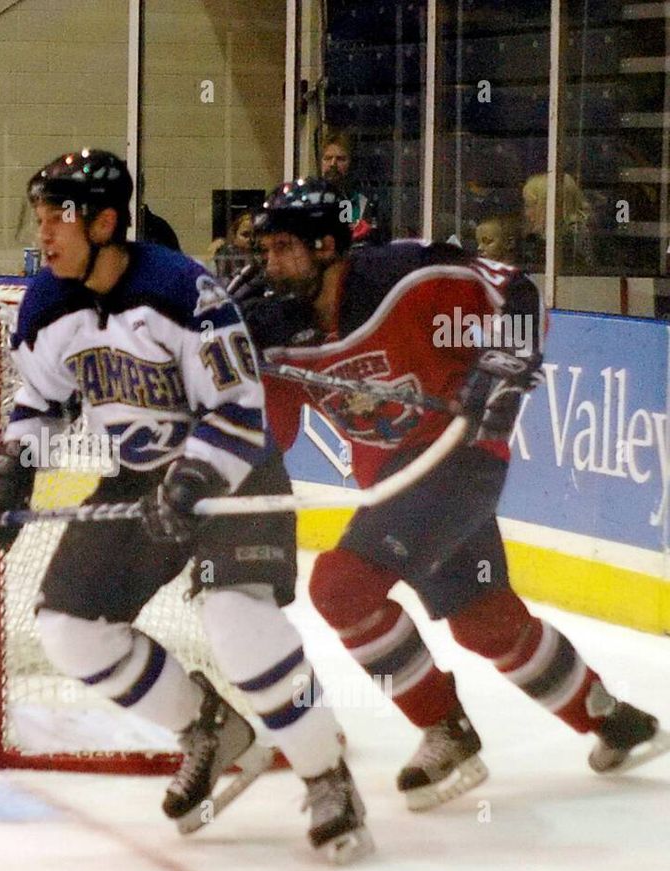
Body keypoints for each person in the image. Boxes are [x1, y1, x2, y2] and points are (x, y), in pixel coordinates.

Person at [0, 149, 372, 863]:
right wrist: (12, 465)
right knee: (69, 626)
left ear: (107, 221)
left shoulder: (185, 292)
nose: (46, 232)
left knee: (235, 618)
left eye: (60, 216)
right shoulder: (46, 301)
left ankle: (326, 772)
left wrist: (191, 480)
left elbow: (240, 411)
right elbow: (42, 403)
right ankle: (210, 728)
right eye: (41, 217)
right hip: (142, 476)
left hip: (233, 471)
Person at [245, 178, 668, 811]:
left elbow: (516, 294)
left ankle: (445, 731)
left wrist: (503, 367)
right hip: (395, 480)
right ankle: (612, 720)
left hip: (457, 460)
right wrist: (232, 364)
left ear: (328, 246)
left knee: (340, 588)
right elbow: (270, 433)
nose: (268, 265)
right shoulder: (273, 325)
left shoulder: (409, 280)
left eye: (282, 249)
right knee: (480, 617)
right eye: (265, 249)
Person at [319, 128, 381, 246]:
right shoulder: (310, 200)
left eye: (340, 159)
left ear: (351, 163)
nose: (333, 164)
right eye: (327, 158)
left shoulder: (362, 203)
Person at [209, 210, 257, 283]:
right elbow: (222, 282)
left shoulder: (261, 254)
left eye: (255, 235)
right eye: (245, 235)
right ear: (234, 236)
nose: (251, 240)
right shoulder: (226, 253)